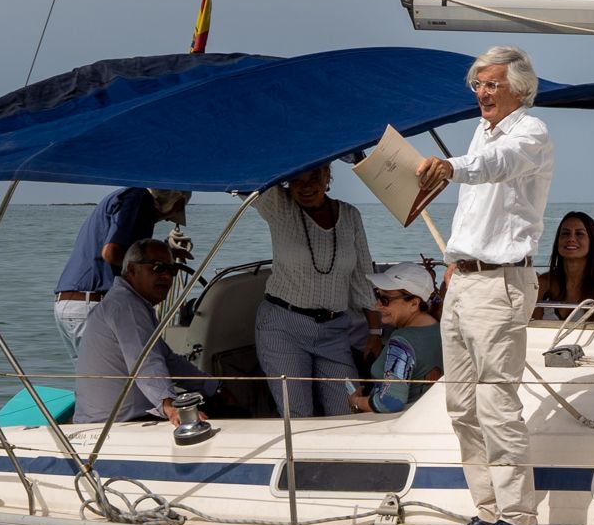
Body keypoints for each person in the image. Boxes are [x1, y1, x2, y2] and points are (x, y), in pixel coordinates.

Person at [414, 45, 554, 525]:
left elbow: (495, 166)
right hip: (464, 280)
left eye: (491, 84)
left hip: (499, 282)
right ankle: (488, 509)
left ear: (520, 87)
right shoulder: (481, 133)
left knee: (497, 403)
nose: (482, 93)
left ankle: (518, 517)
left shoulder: (530, 133)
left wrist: (449, 168)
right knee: (461, 405)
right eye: (477, 85)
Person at [252, 163, 379, 418]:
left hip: (334, 331)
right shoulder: (279, 206)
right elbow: (249, 173)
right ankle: (298, 459)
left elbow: (362, 277)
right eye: (297, 180)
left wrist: (375, 331)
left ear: (327, 176)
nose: (306, 186)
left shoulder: (350, 215)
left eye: (314, 178)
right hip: (283, 327)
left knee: (350, 406)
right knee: (298, 414)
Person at [74, 238, 218, 425]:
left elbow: (168, 360)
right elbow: (144, 361)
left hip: (113, 419)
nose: (167, 276)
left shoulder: (130, 302)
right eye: (158, 268)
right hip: (114, 425)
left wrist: (214, 386)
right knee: (230, 414)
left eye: (171, 270)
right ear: (132, 270)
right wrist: (170, 406)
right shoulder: (126, 306)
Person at [53, 187, 189, 357]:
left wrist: (166, 253)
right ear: (176, 202)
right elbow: (111, 253)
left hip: (71, 303)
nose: (167, 219)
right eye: (173, 213)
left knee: (94, 378)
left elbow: (122, 251)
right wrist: (155, 265)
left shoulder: (123, 201)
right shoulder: (139, 198)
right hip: (94, 305)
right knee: (121, 375)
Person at [349, 262, 443, 414]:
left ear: (413, 304)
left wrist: (356, 402)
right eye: (377, 294)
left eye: (385, 299)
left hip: (401, 424)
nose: (377, 305)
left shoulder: (402, 342)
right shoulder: (441, 330)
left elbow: (390, 402)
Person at [536, 211, 594, 319]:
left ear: (592, 241)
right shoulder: (544, 282)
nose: (571, 239)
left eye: (579, 234)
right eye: (565, 233)